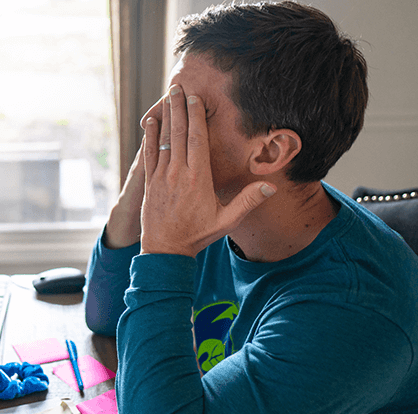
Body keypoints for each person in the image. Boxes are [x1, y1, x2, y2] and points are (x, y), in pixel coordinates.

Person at [83, 1, 418, 413]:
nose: (162, 121)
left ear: (271, 151)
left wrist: (166, 252)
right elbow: (103, 314)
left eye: (191, 110)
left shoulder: (352, 313)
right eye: (170, 101)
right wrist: (142, 179)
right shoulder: (221, 205)